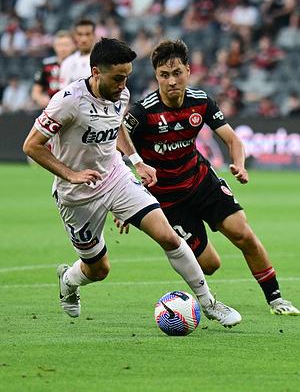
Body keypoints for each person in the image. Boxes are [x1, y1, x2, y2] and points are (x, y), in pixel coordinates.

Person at [23, 37, 241, 328]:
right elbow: (31, 145)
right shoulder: (68, 102)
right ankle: (68, 280)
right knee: (99, 269)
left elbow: (118, 126)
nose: (123, 85)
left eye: (126, 77)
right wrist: (71, 174)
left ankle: (209, 302)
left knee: (167, 236)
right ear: (97, 73)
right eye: (117, 78)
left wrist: (136, 160)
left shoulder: (120, 94)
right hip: (76, 194)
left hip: (115, 177)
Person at [122, 39, 300, 316]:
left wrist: (239, 164)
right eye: (164, 75)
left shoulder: (201, 101)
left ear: (188, 71)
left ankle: (277, 300)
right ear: (156, 76)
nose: (171, 81)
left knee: (245, 235)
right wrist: (125, 200)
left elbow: (233, 140)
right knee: (210, 265)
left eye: (177, 73)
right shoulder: (142, 113)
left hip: (202, 181)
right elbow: (114, 148)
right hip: (168, 200)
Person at [31, 30, 76, 109]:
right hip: (52, 108)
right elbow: (36, 92)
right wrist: (41, 99)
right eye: (60, 45)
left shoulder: (78, 64)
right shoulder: (47, 65)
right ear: (55, 46)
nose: (63, 49)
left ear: (73, 46)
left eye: (66, 45)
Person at [59, 18, 96, 89]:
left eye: (87, 34)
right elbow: (63, 91)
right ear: (75, 36)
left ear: (94, 35)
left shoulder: (102, 61)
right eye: (80, 34)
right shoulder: (67, 63)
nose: (84, 39)